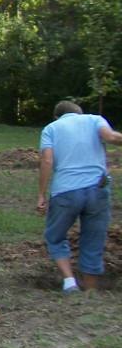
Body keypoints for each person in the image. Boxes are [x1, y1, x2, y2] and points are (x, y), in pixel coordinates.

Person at [37, 100, 122, 293]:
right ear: (80, 113)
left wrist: (41, 195)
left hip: (65, 192)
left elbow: (47, 160)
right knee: (93, 239)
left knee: (55, 236)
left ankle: (69, 282)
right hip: (97, 190)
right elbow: (110, 137)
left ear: (57, 116)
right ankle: (90, 290)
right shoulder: (94, 120)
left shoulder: (51, 128)